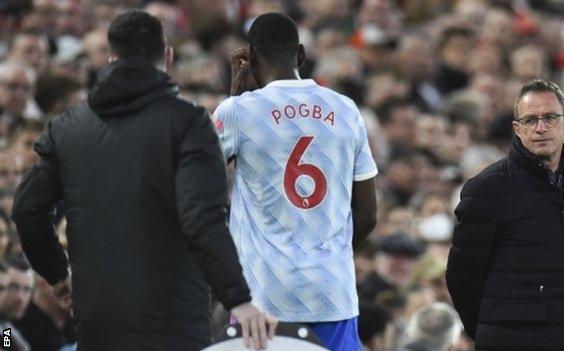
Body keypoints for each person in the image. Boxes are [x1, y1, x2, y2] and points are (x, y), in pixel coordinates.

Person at [11, 10, 276, 351]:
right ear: (167, 56)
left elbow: (26, 210)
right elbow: (202, 219)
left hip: (98, 324)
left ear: (110, 58)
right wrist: (239, 299)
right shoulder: (189, 123)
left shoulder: (67, 127)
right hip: (175, 324)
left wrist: (58, 275)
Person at [212, 12, 378, 351]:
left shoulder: (238, 111)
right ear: (301, 55)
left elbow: (203, 178)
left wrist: (234, 95)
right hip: (333, 293)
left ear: (251, 58)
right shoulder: (346, 110)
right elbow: (368, 215)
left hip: (264, 297)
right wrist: (330, 259)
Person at [446, 79, 564, 350]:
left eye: (550, 118)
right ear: (517, 130)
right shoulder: (487, 188)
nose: (540, 128)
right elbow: (462, 277)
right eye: (530, 120)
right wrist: (492, 334)